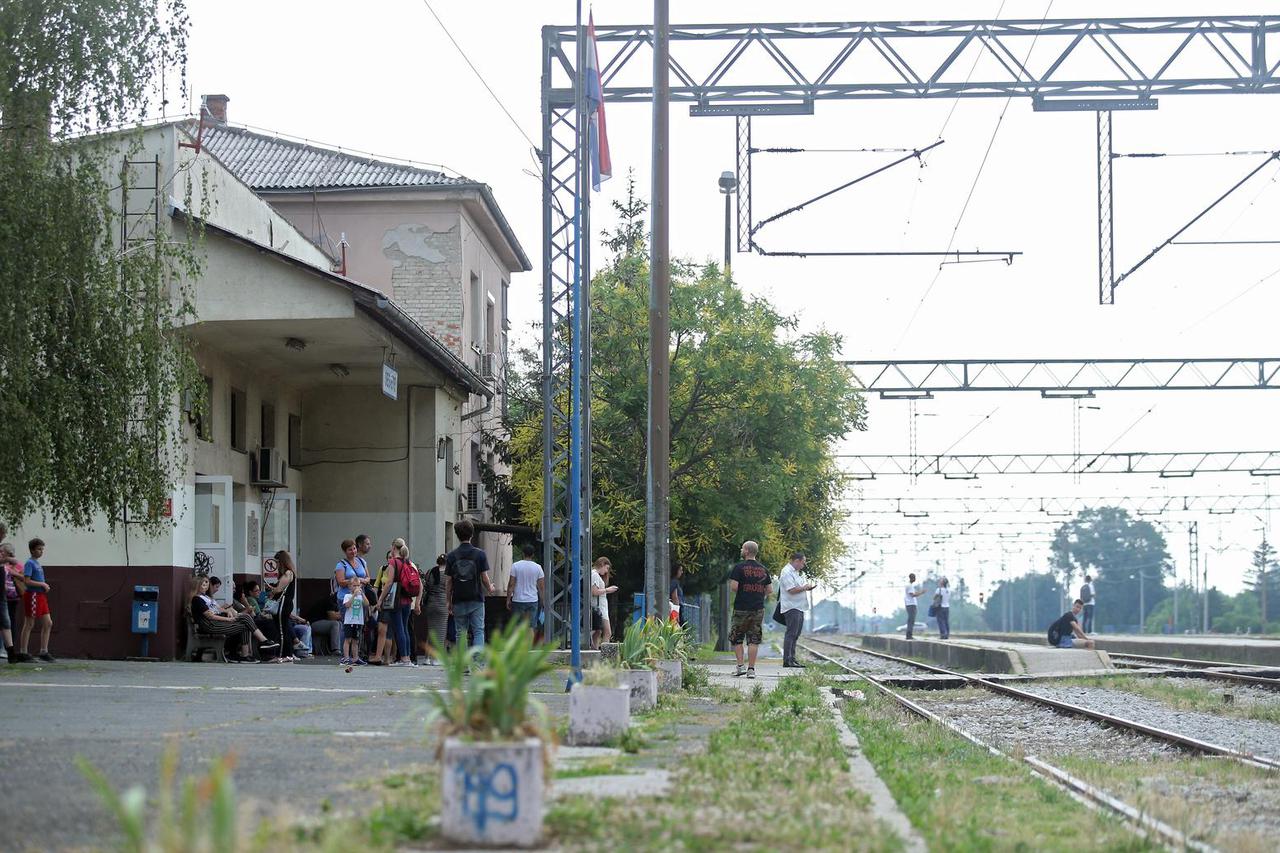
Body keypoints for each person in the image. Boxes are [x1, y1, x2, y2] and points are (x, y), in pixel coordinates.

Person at [188, 575, 278, 662]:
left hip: (217, 622)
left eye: (207, 583)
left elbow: (218, 609)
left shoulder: (207, 597)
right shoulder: (197, 599)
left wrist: (227, 611)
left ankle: (251, 651)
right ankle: (260, 644)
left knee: (246, 619)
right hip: (211, 625)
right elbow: (210, 616)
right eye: (204, 584)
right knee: (246, 621)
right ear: (197, 585)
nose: (206, 586)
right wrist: (228, 619)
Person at [445, 519, 495, 654]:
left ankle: (463, 665)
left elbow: (449, 581)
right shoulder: (480, 554)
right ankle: (477, 664)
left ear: (457, 535)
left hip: (458, 599)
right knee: (478, 631)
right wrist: (490, 588)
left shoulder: (451, 556)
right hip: (476, 598)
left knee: (460, 633)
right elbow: (484, 577)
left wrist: (448, 600)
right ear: (472, 534)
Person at [728, 540, 772, 679]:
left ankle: (740, 666)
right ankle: (751, 670)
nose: (741, 550)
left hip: (741, 607)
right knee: (754, 639)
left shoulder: (739, 568)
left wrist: (745, 593)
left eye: (742, 548)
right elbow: (769, 590)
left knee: (737, 637)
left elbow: (734, 587)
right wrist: (757, 595)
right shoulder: (764, 569)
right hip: (758, 608)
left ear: (746, 551)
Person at [20, 538, 54, 662]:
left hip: (41, 596)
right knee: (29, 623)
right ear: (32, 550)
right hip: (33, 595)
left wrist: (44, 586)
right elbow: (27, 581)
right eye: (39, 549)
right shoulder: (29, 563)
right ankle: (23, 652)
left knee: (48, 623)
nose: (41, 552)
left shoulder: (37, 563)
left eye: (42, 549)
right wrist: (42, 584)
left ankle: (43, 651)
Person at [779, 551, 815, 668]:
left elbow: (797, 588)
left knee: (796, 634)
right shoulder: (786, 572)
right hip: (791, 607)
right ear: (797, 561)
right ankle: (787, 660)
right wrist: (804, 588)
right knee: (791, 633)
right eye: (803, 562)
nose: (803, 565)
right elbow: (791, 589)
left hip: (799, 607)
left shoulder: (795, 573)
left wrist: (806, 588)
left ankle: (792, 659)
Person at [371, 543, 402, 665]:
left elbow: (389, 584)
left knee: (388, 630)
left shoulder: (398, 567)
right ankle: (385, 657)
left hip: (393, 601)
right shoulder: (383, 569)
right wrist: (375, 601)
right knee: (384, 630)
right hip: (384, 600)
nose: (391, 559)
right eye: (389, 557)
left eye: (392, 557)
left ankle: (390, 657)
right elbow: (376, 585)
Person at [387, 544, 417, 667]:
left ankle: (404, 658)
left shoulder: (393, 562)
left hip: (396, 600)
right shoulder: (408, 562)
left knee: (399, 629)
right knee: (404, 628)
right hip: (408, 600)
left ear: (394, 548)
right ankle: (408, 658)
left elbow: (389, 583)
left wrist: (381, 600)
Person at [267, 550, 300, 662]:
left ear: (282, 562)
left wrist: (273, 589)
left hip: (283, 604)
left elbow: (279, 589)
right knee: (285, 628)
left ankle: (282, 655)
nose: (276, 565)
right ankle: (289, 653)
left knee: (282, 630)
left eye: (277, 562)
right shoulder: (290, 573)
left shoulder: (288, 573)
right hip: (286, 603)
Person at [507, 543, 544, 630]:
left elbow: (511, 585)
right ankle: (529, 644)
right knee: (530, 627)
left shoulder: (515, 566)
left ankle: (518, 643)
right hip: (532, 600)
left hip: (518, 600)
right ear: (533, 555)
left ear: (523, 553)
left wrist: (508, 599)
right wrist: (542, 602)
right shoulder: (538, 567)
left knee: (517, 626)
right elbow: (542, 587)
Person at [420, 554, 448, 664]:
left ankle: (427, 658)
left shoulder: (430, 571)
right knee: (441, 632)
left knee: (431, 632)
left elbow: (426, 586)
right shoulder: (448, 574)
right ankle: (436, 659)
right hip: (442, 604)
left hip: (431, 604)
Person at [0, 544, 26, 662]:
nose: (1, 554)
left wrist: (12, 569)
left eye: (2, 551)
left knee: (7, 622)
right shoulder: (3, 565)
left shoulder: (10, 565)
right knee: (5, 622)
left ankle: (10, 651)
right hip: (4, 596)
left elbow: (23, 576)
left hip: (11, 597)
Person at [334, 539, 369, 616]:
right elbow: (341, 582)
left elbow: (368, 577)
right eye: (350, 550)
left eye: (354, 548)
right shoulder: (341, 565)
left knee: (360, 623)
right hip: (345, 598)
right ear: (345, 551)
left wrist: (365, 580)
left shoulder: (362, 561)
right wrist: (356, 581)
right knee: (347, 623)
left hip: (360, 597)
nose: (353, 551)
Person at [303, 592, 342, 657]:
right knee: (335, 624)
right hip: (312, 624)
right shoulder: (330, 601)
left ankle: (341, 649)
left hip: (320, 622)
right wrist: (344, 614)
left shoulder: (333, 601)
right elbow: (332, 617)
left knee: (339, 624)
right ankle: (335, 649)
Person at [590, 557, 617, 649]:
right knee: (607, 632)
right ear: (602, 564)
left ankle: (595, 650)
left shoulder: (595, 575)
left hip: (601, 607)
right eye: (606, 568)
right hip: (599, 607)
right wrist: (607, 590)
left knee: (598, 632)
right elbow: (594, 591)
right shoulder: (594, 575)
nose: (606, 571)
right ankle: (605, 655)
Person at [341, 575, 369, 665]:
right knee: (348, 639)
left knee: (356, 640)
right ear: (349, 587)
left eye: (358, 585)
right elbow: (347, 605)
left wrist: (362, 594)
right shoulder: (347, 596)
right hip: (349, 622)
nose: (357, 588)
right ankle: (346, 657)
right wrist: (353, 595)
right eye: (354, 586)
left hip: (358, 622)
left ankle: (355, 658)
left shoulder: (361, 597)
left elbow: (367, 604)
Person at [903, 573, 925, 640]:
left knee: (911, 620)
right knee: (911, 620)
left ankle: (909, 634)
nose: (915, 579)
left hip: (910, 604)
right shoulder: (909, 586)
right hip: (911, 605)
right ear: (912, 578)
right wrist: (921, 592)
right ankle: (909, 635)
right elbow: (912, 595)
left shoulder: (910, 585)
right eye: (914, 577)